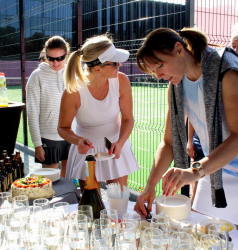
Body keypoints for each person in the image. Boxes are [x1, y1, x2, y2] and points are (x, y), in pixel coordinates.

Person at [134, 27, 238, 224]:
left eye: (159, 66)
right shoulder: (176, 85)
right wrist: (149, 187)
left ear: (179, 50)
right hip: (213, 171)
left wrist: (194, 171)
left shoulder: (227, 70)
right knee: (200, 236)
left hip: (211, 170)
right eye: (153, 71)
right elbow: (168, 142)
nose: (157, 75)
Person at [58, 34, 139, 193]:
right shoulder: (73, 91)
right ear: (97, 69)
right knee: (92, 204)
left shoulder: (121, 81)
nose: (120, 65)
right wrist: (78, 140)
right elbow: (63, 127)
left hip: (116, 145)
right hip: (87, 153)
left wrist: (120, 143)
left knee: (119, 199)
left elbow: (128, 119)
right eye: (115, 63)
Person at [26, 36, 71, 177]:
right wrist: (38, 144)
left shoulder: (73, 74)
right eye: (51, 58)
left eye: (60, 58)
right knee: (49, 183)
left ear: (67, 54)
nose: (56, 62)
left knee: (69, 181)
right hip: (48, 137)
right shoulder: (36, 77)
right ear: (45, 56)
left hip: (72, 135)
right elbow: (32, 113)